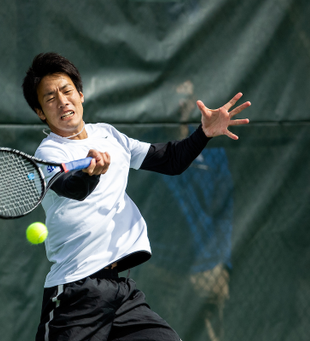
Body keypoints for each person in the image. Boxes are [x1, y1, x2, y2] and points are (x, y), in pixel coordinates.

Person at [21, 52, 250, 341]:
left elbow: (170, 160)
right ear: (41, 112)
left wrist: (203, 133)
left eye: (67, 91)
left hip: (121, 291)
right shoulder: (49, 153)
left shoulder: (109, 136)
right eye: (50, 97)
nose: (62, 100)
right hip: (74, 292)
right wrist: (91, 174)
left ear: (80, 95)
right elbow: (72, 187)